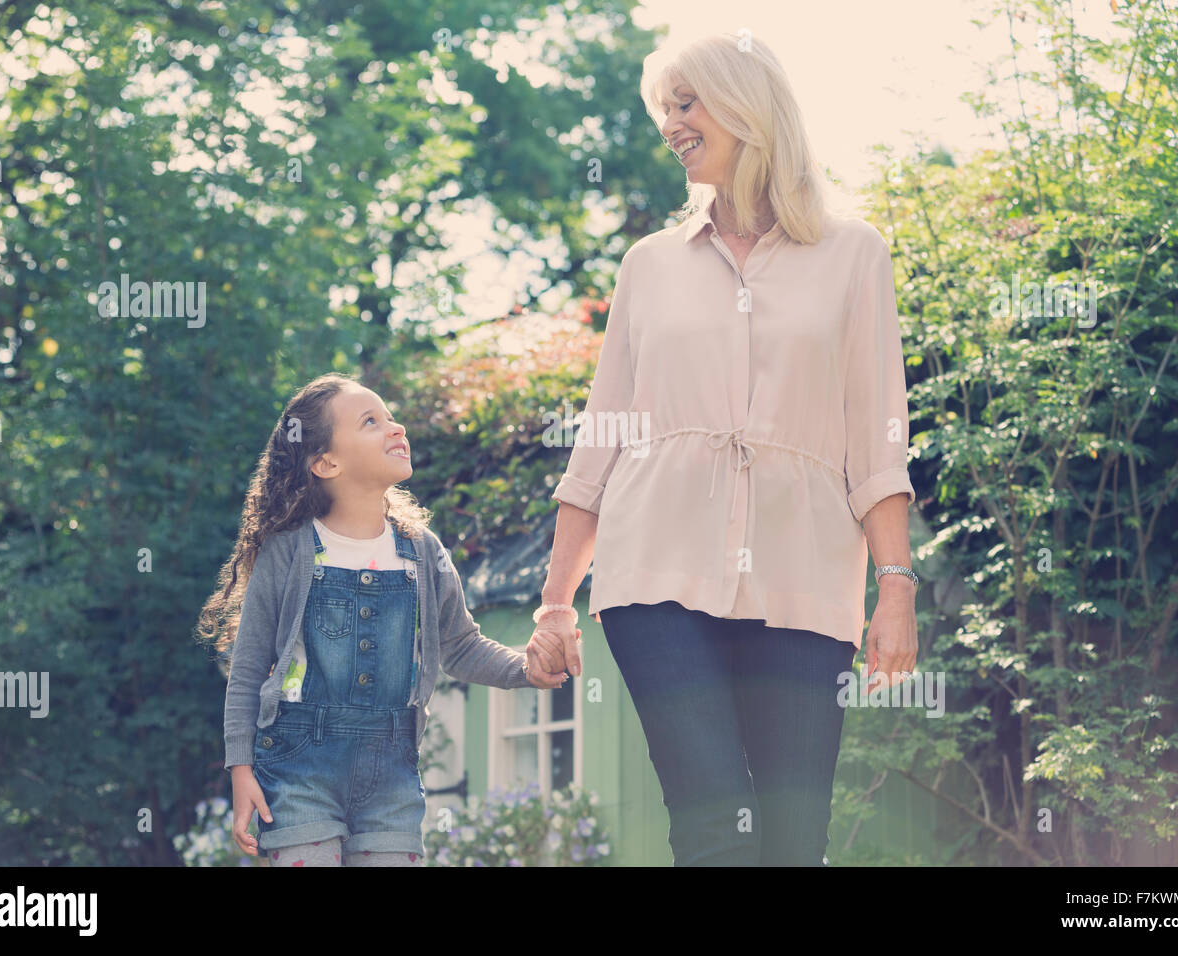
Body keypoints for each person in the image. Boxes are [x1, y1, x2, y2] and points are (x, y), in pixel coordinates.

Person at [525, 32, 920, 866]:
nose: (671, 124)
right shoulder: (649, 266)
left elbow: (877, 437)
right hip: (656, 569)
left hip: (805, 579)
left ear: (748, 106)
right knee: (711, 821)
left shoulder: (854, 255)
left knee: (790, 839)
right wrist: (556, 601)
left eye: (686, 103)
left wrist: (896, 586)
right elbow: (601, 437)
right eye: (665, 108)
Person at [199, 373, 565, 866]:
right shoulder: (289, 551)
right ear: (326, 462)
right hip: (298, 765)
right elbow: (247, 672)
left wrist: (526, 668)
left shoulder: (423, 551)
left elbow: (460, 646)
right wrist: (241, 768)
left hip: (391, 772)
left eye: (391, 417)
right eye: (371, 421)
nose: (396, 428)